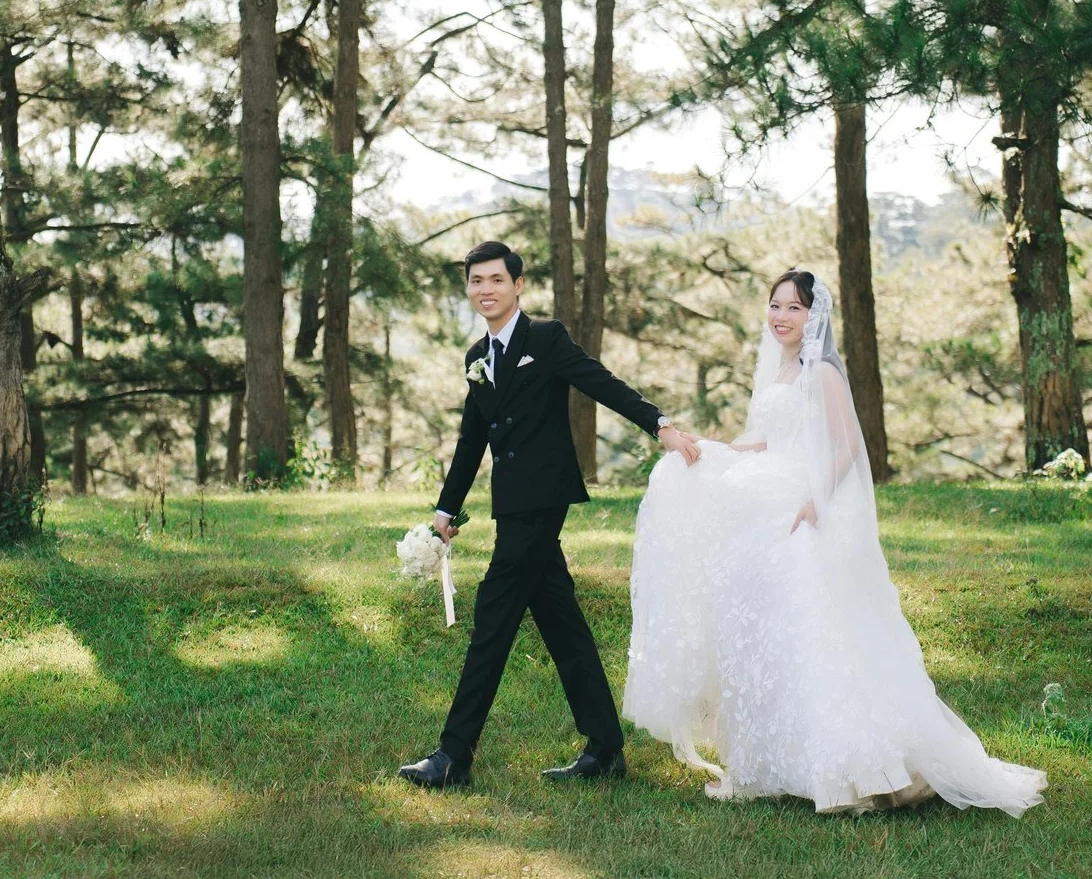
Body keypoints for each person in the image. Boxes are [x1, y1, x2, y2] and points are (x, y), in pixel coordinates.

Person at [622, 269, 1046, 815]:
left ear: (813, 316)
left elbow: (847, 445)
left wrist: (816, 501)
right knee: (760, 631)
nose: (780, 317)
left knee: (811, 635)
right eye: (775, 306)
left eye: (793, 308)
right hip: (764, 498)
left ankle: (847, 766)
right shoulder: (779, 370)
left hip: (799, 506)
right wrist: (716, 448)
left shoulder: (821, 373)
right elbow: (765, 440)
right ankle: (771, 760)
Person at [397, 240, 702, 790]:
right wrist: (446, 512)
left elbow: (601, 383)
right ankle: (606, 749)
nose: (485, 289)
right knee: (562, 623)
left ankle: (453, 755)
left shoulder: (546, 338)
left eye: (495, 279)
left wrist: (660, 425)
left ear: (517, 285)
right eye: (475, 281)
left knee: (492, 621)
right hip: (509, 501)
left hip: (543, 500)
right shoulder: (476, 359)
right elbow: (472, 441)